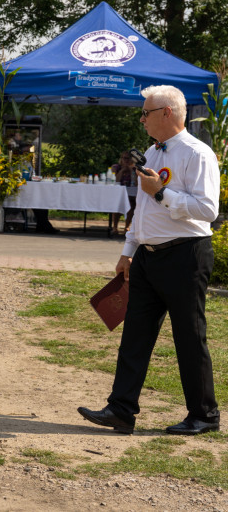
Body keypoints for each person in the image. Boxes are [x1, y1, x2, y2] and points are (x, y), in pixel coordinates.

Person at [78, 85, 220, 436]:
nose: (141, 119)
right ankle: (121, 410)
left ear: (167, 113)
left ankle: (204, 415)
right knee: (135, 335)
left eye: (146, 113)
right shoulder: (152, 152)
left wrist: (163, 192)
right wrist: (128, 251)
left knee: (189, 336)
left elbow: (208, 210)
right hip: (147, 256)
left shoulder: (197, 153)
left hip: (185, 254)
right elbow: (141, 209)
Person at [111, 150, 138, 235]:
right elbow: (116, 180)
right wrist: (122, 170)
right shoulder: (117, 167)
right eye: (124, 158)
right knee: (117, 204)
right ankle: (115, 226)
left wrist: (131, 171)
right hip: (119, 191)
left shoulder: (136, 168)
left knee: (132, 205)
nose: (126, 160)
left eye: (128, 158)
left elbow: (136, 183)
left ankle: (127, 226)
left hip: (132, 191)